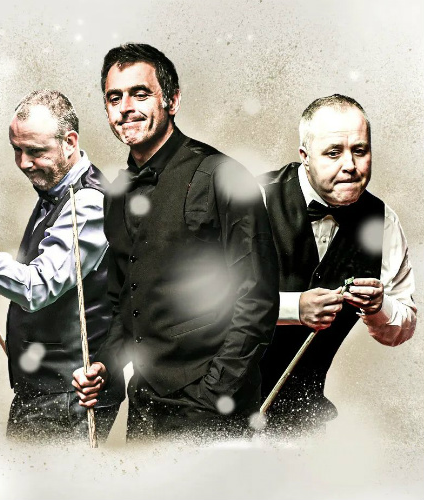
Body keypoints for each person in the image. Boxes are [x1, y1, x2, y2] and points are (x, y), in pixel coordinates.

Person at [72, 43, 279, 441]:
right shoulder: (116, 195)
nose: (125, 108)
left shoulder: (223, 176)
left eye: (140, 94)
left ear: (173, 100)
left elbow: (257, 299)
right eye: (114, 98)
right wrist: (104, 366)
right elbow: (124, 304)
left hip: (212, 411)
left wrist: (215, 393)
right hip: (145, 407)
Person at [0, 90, 124, 442]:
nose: (23, 162)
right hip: (45, 393)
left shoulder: (89, 203)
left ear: (70, 142)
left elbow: (36, 287)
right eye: (16, 149)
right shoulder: (56, 188)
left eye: (34, 151)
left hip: (71, 397)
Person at [258, 94, 417, 435]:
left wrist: (378, 307)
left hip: (301, 424)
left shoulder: (383, 222)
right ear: (304, 157)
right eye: (333, 153)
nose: (350, 165)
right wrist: (294, 308)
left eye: (360, 150)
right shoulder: (249, 201)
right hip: (209, 410)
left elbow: (402, 327)